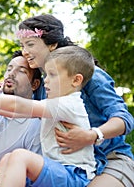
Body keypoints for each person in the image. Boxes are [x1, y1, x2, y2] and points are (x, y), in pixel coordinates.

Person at [16, 14, 134, 187]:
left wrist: (92, 135)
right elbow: (19, 107)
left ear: (52, 45)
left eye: (31, 44)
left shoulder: (90, 75)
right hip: (68, 165)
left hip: (110, 159)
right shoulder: (43, 85)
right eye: (22, 45)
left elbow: (124, 119)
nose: (25, 51)